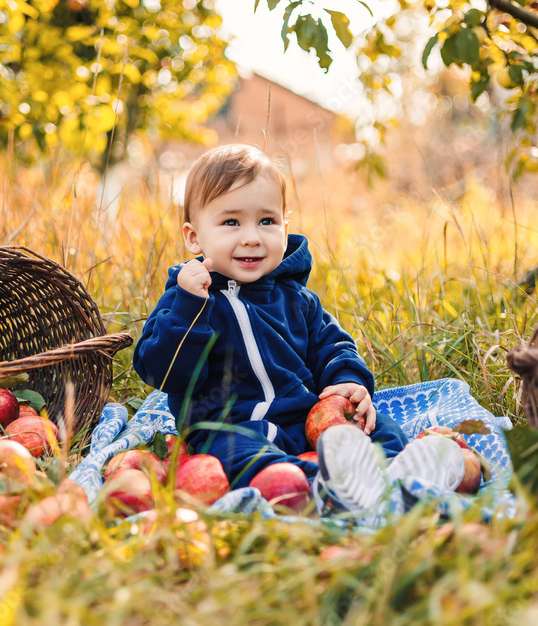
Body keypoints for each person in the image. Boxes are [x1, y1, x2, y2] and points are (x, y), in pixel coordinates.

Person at [133, 143, 464, 513]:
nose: (252, 237)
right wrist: (190, 307)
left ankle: (401, 474)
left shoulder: (296, 298)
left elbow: (333, 345)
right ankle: (324, 486)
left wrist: (348, 380)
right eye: (231, 222)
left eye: (266, 221)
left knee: (379, 426)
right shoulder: (187, 299)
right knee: (243, 459)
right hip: (230, 427)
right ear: (194, 237)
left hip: (305, 418)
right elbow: (161, 370)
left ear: (285, 226)